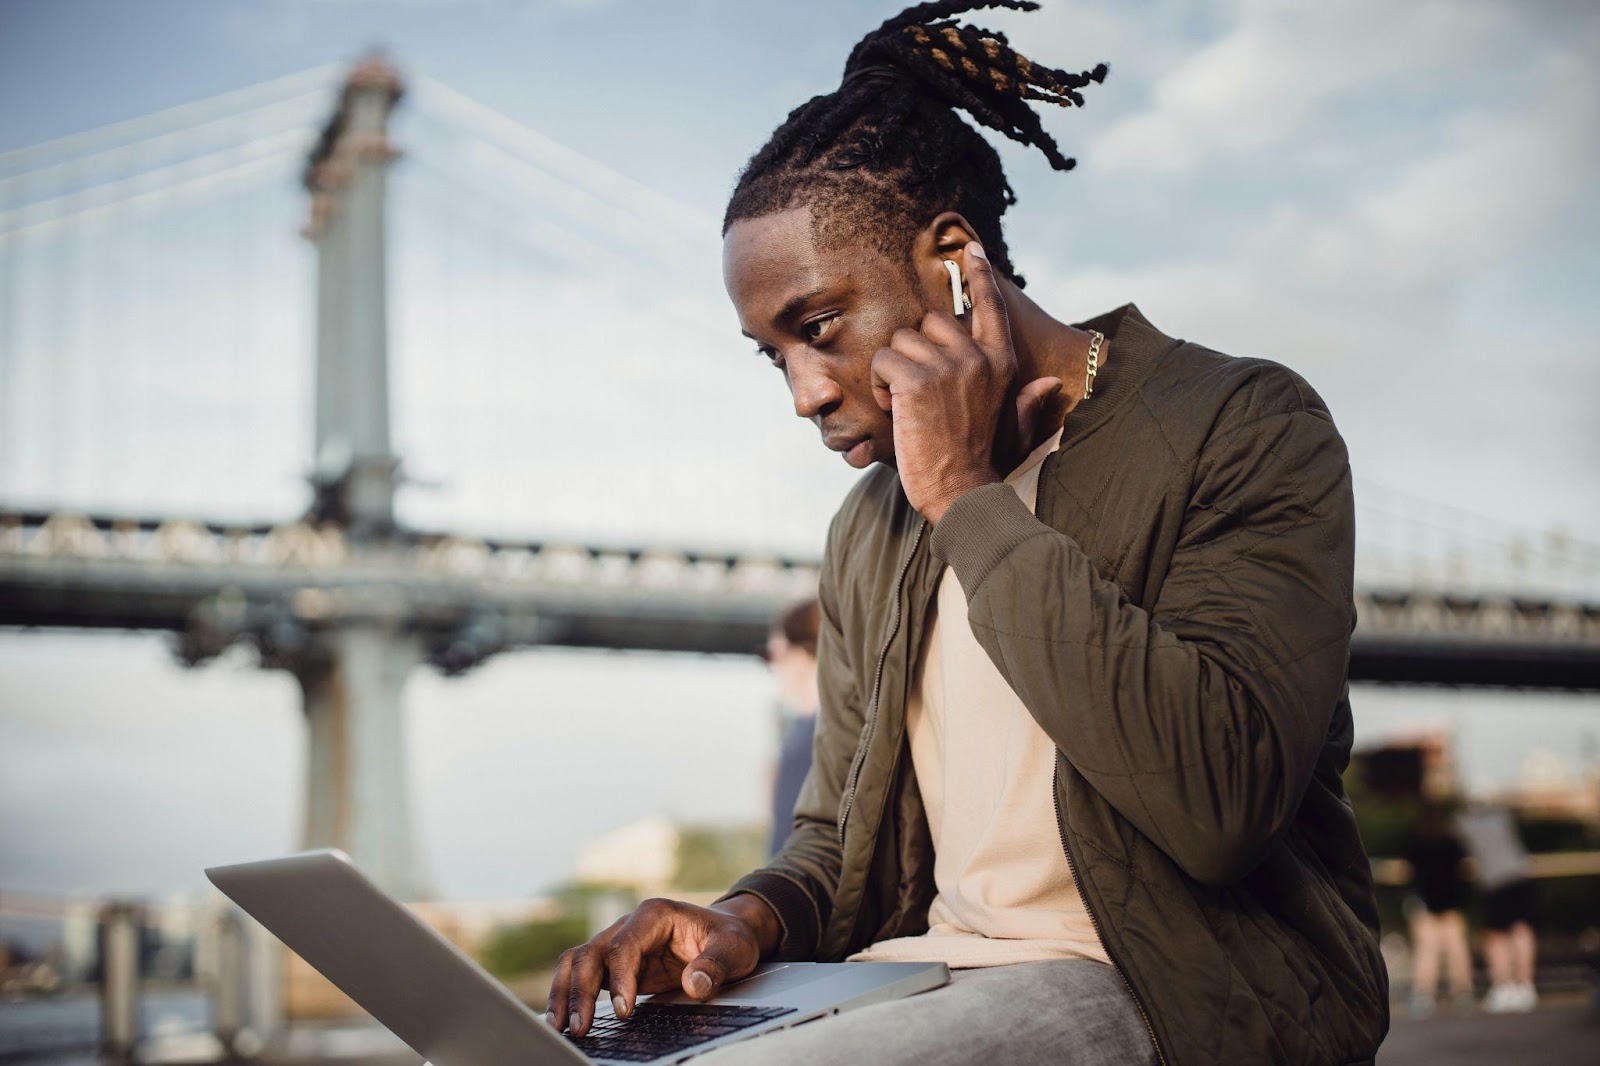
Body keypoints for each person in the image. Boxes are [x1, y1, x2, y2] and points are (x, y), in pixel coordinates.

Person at [547, 3, 1389, 1062]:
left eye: (816, 329)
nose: (805, 393)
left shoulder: (1239, 424)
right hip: (922, 976)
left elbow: (1219, 801)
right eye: (773, 356)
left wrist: (964, 496)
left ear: (953, 258)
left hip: (1167, 990)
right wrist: (745, 918)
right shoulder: (868, 525)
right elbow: (833, 839)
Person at [1456, 802, 1539, 1013]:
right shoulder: (1503, 816)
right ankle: (1526, 986)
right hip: (1521, 875)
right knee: (1522, 932)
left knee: (1496, 938)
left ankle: (1504, 987)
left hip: (1494, 882)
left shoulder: (1461, 824)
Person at [1402, 802, 1474, 1017]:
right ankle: (1462, 992)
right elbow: (1466, 869)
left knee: (1427, 952)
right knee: (1456, 950)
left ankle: (1424, 994)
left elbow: (1408, 871)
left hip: (1425, 903)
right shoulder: (1453, 842)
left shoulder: (1415, 841)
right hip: (1452, 902)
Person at [763, 600, 822, 858]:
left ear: (801, 653)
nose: (772, 667)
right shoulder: (802, 731)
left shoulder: (811, 737)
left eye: (772, 654)